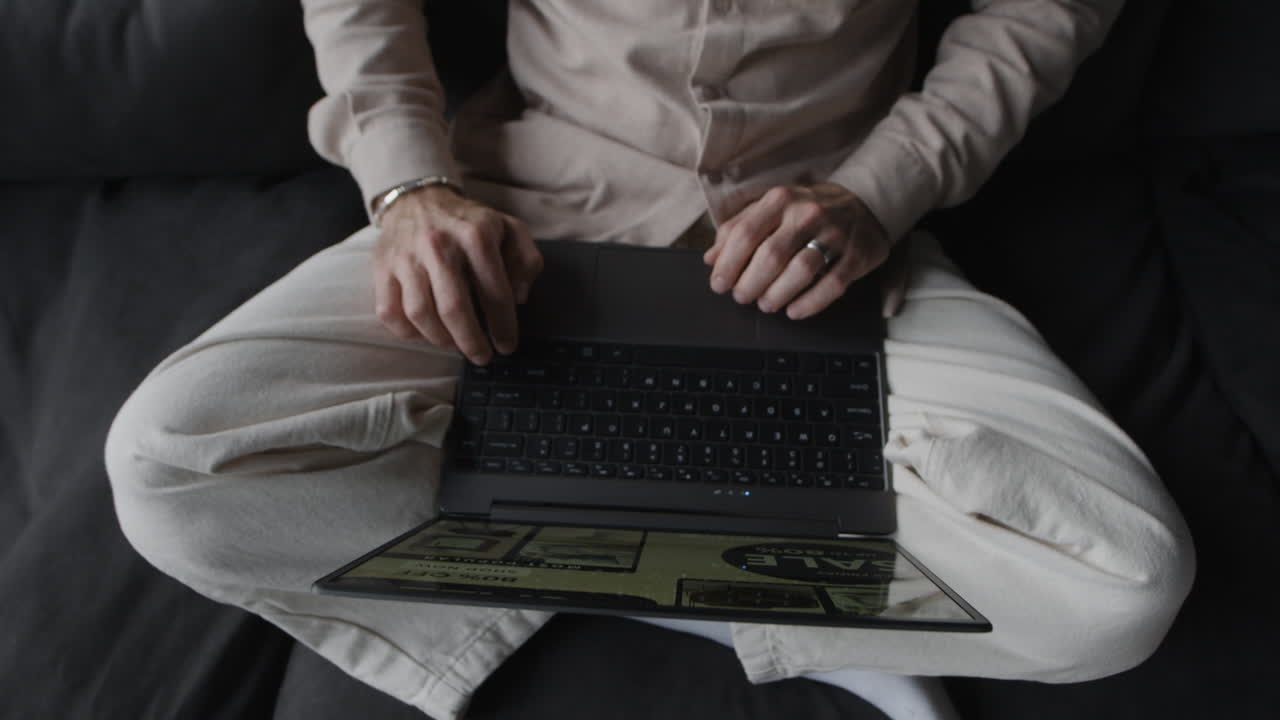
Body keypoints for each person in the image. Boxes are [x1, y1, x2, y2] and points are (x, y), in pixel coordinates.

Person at [104, 1, 1195, 719]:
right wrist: (406, 187)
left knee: (1124, 585)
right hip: (527, 211)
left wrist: (879, 192)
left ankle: (603, 542)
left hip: (823, 246)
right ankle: (750, 590)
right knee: (169, 463)